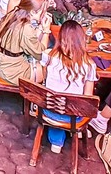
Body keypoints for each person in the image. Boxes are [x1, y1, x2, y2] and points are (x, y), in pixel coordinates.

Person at [40, 20, 98, 154]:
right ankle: (73, 131)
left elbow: (43, 77)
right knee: (72, 107)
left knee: (59, 103)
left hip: (48, 110)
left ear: (60, 38)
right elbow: (87, 98)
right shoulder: (89, 65)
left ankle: (56, 142)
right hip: (73, 116)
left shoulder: (48, 56)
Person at [0, 0, 52, 85]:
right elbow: (40, 54)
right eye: (43, 11)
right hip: (12, 73)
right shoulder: (26, 28)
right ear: (32, 12)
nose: (45, 13)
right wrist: (46, 30)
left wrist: (40, 27)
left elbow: (29, 39)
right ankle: (36, 97)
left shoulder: (14, 15)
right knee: (51, 70)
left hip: (0, 64)